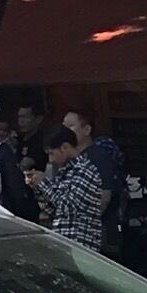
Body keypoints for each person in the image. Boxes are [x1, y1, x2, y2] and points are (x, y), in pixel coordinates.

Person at [24, 126, 110, 249]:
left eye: (52, 153)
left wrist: (44, 183)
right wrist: (37, 188)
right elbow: (54, 210)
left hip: (80, 243)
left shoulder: (84, 171)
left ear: (64, 147)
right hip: (64, 241)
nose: (51, 159)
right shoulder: (64, 172)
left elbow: (68, 208)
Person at [62, 108, 129, 258]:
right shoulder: (70, 158)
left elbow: (104, 196)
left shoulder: (98, 156)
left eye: (70, 126)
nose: (65, 131)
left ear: (86, 129)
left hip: (98, 232)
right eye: (63, 126)